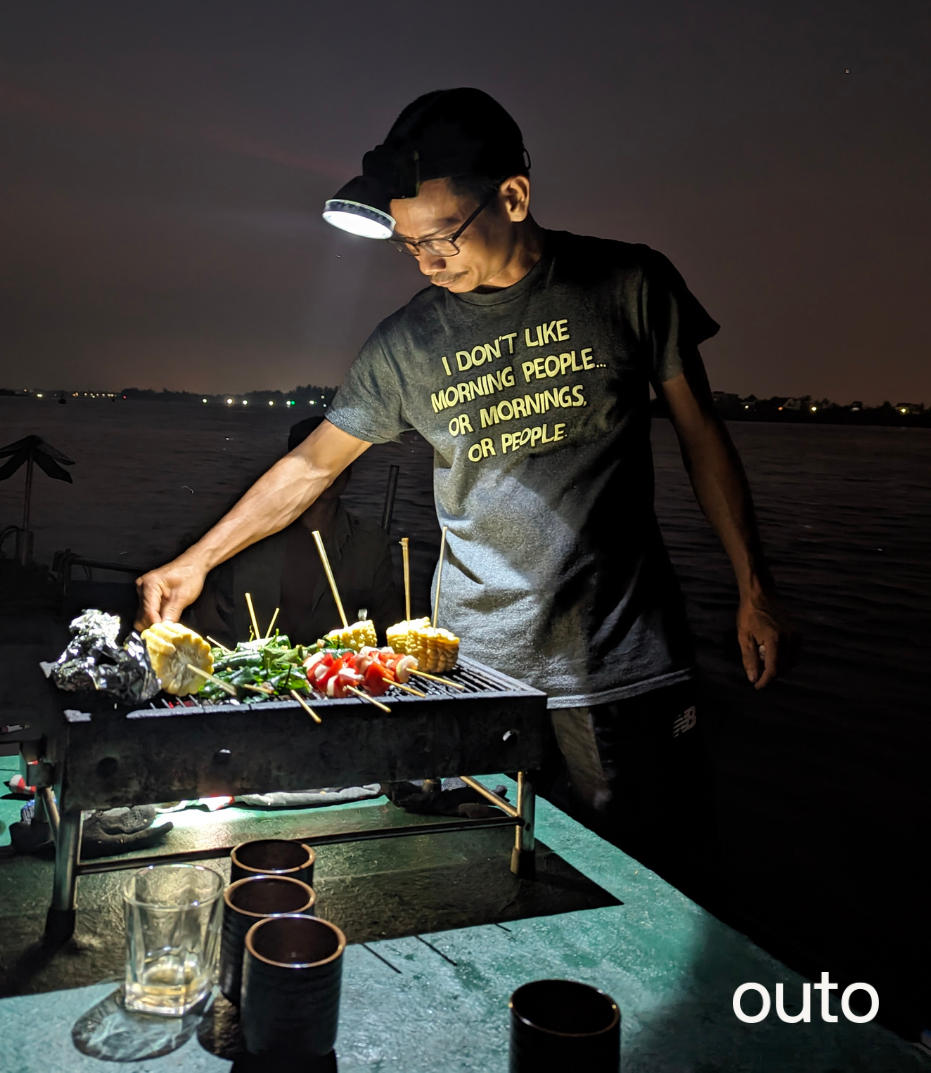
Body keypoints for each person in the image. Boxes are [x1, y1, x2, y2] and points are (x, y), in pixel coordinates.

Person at [136, 88, 793, 891]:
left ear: (513, 196)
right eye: (407, 246)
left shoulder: (629, 283)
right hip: (472, 671)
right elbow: (312, 465)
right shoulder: (409, 341)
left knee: (642, 883)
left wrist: (753, 588)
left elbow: (703, 438)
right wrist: (196, 559)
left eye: (441, 235)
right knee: (475, 878)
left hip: (620, 669)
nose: (426, 260)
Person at [185, 415, 400, 645]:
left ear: (350, 468)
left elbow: (389, 624)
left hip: (330, 673)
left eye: (338, 460)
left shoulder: (370, 543)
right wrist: (202, 596)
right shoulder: (249, 531)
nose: (327, 468)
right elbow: (200, 559)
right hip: (251, 671)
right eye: (314, 460)